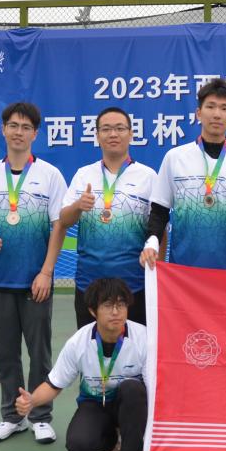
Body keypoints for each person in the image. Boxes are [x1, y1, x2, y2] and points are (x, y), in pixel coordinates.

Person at [0, 101, 68, 445]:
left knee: (39, 352)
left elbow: (59, 226)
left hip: (35, 281)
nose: (18, 132)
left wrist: (47, 272)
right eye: (13, 126)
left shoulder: (50, 175)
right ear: (4, 130)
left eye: (26, 127)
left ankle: (39, 415)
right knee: (5, 353)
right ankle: (12, 416)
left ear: (35, 134)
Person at [15, 278, 150, 451]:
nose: (116, 312)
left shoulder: (144, 338)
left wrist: (152, 441)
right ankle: (113, 441)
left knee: (132, 389)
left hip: (132, 406)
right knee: (78, 444)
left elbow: (158, 388)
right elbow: (54, 383)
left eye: (121, 304)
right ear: (93, 311)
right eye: (108, 305)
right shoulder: (78, 342)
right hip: (96, 404)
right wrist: (32, 401)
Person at [140, 78, 226, 271]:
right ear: (199, 113)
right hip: (184, 270)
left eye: (224, 108)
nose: (217, 114)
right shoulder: (175, 157)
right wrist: (152, 242)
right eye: (210, 107)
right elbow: (159, 211)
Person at [60, 106, 160, 328]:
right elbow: (64, 220)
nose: (113, 134)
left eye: (119, 128)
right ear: (97, 135)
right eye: (106, 129)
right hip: (89, 284)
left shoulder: (148, 177)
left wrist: (157, 274)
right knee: (91, 346)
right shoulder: (83, 175)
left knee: (136, 346)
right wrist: (78, 206)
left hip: (134, 284)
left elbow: (159, 229)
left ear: (131, 133)